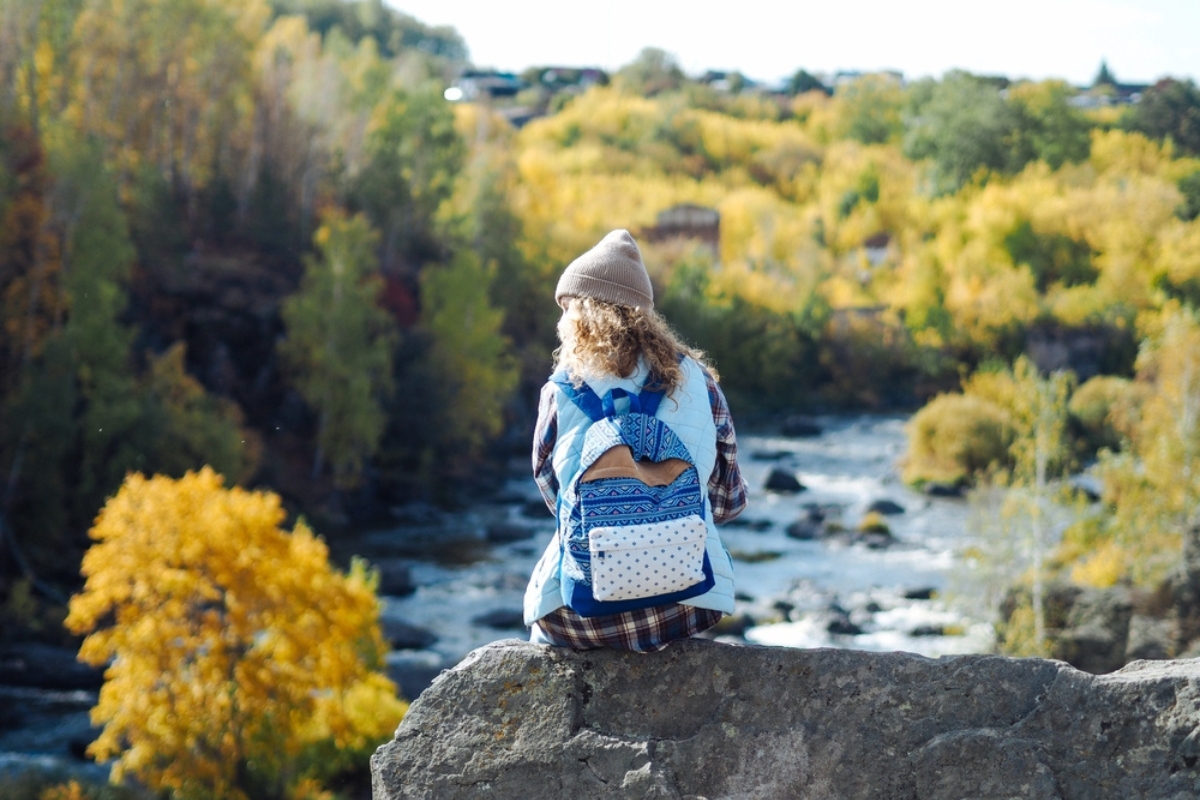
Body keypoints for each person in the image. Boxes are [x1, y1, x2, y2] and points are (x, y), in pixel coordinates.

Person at [522, 229, 748, 652]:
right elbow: (727, 503)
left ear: (579, 316)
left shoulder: (558, 392)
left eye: (566, 309)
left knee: (540, 632)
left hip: (584, 613)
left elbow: (557, 501)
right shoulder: (699, 383)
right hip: (687, 600)